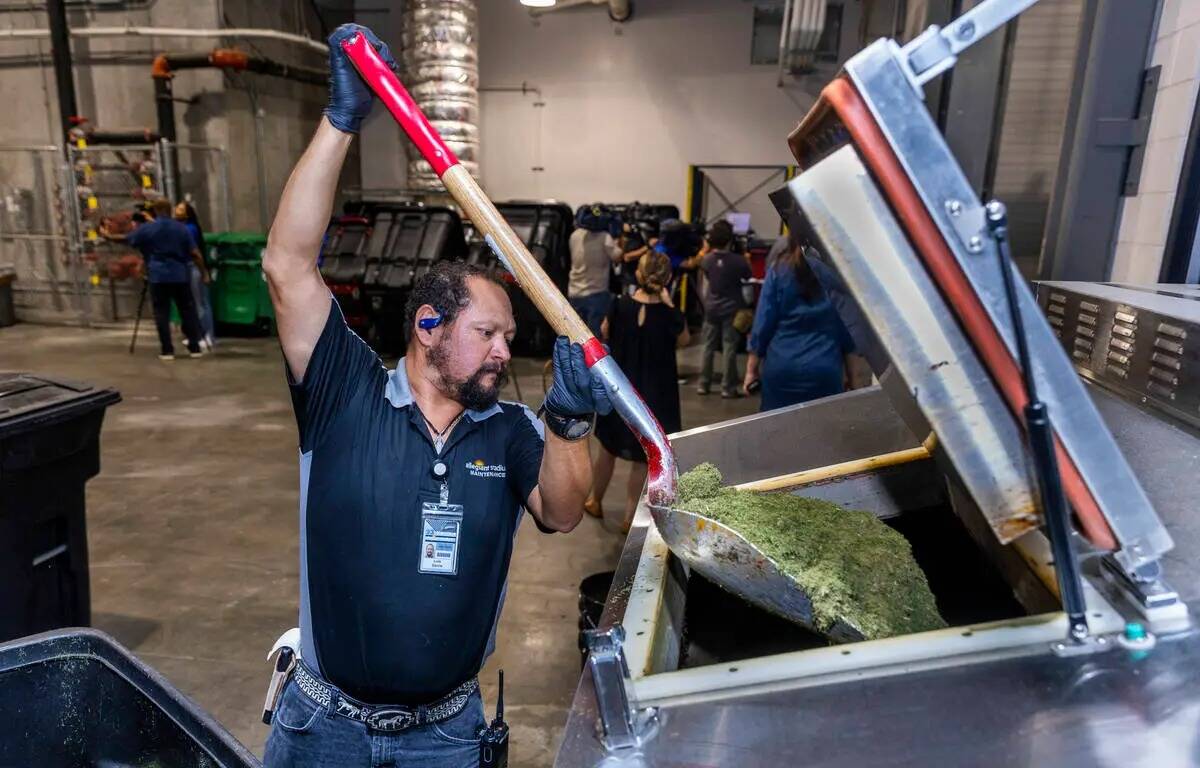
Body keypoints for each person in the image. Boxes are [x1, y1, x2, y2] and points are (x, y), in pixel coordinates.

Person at [259, 24, 612, 768]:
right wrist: (341, 122)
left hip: (446, 735)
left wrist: (570, 423)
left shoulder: (511, 430)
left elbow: (561, 510)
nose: (503, 350)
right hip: (323, 728)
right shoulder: (342, 391)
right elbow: (289, 264)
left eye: (509, 336)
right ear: (427, 325)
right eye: (486, 332)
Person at [585, 250, 688, 533]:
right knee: (644, 457)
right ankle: (630, 516)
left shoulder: (619, 305)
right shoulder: (669, 315)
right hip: (655, 395)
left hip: (621, 390)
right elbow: (684, 340)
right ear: (667, 278)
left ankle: (595, 500)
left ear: (639, 275)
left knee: (607, 448)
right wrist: (669, 305)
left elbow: (605, 331)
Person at [744, 230, 854, 411]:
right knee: (823, 433)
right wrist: (852, 375)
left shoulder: (778, 270)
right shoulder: (837, 275)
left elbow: (763, 324)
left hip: (781, 369)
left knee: (777, 433)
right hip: (825, 369)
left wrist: (751, 371)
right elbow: (846, 330)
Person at [102, 198, 209, 360]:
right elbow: (195, 253)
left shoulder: (148, 229)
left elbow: (127, 239)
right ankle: (194, 347)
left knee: (161, 313)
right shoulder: (181, 229)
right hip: (180, 275)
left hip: (158, 276)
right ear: (170, 210)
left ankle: (167, 350)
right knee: (187, 310)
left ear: (157, 211)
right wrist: (204, 272)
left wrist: (108, 236)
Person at [696, 220, 751, 398]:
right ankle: (728, 387)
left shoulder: (707, 260)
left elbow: (706, 280)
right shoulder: (739, 261)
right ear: (730, 240)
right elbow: (747, 277)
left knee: (708, 347)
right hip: (732, 309)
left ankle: (703, 384)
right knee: (729, 348)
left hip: (711, 308)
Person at [567, 209, 621, 336]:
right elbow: (617, 256)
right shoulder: (605, 237)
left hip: (574, 293)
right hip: (596, 294)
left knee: (577, 336)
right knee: (595, 338)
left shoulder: (575, 235)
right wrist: (618, 239)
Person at [175, 201, 217, 349]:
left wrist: (204, 272)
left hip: (195, 268)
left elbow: (194, 252)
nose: (176, 210)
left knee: (201, 303)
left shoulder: (190, 229)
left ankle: (208, 335)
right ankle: (197, 334)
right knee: (194, 303)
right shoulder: (183, 228)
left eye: (180, 208)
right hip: (188, 267)